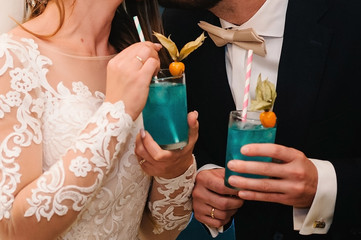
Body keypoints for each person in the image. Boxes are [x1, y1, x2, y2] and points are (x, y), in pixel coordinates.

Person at [159, 0, 361, 239]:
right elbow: (187, 132)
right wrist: (204, 172)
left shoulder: (350, 16)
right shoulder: (179, 25)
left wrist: (325, 185)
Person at [0, 0, 199, 239]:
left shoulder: (140, 55)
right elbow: (10, 230)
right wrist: (117, 113)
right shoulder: (12, 59)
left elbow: (160, 231)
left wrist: (174, 170)